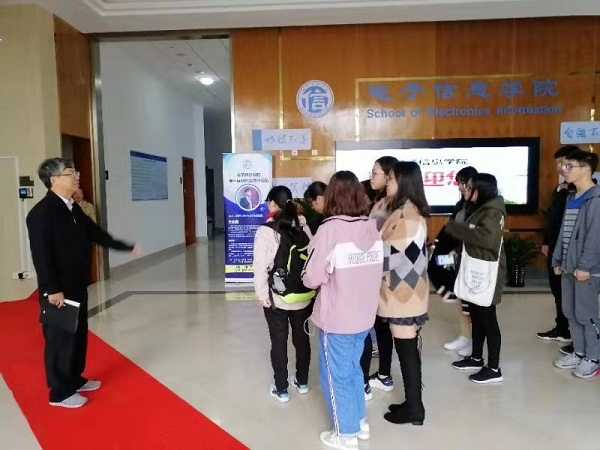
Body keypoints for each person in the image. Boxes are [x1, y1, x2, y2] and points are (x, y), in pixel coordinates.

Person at [26, 158, 140, 408]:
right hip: (58, 289)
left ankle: (74, 378)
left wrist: (124, 246)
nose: (77, 177)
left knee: (77, 334)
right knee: (60, 339)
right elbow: (41, 256)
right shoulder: (42, 214)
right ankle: (60, 393)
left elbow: (94, 233)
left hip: (77, 284)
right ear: (54, 180)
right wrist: (51, 289)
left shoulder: (71, 207)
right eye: (71, 173)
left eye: (76, 172)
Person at [302, 171, 383, 450]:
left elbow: (311, 278)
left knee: (336, 376)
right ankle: (360, 422)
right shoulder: (373, 227)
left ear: (332, 196)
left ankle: (345, 434)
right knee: (353, 369)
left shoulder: (330, 230)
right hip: (364, 315)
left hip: (337, 318)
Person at [378, 161, 430, 425]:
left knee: (407, 351)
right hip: (404, 290)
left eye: (390, 179)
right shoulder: (405, 211)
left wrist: (362, 258)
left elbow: (391, 257)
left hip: (403, 293)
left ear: (404, 182)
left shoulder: (408, 216)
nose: (387, 183)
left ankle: (415, 409)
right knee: (407, 349)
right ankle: (412, 404)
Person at [253, 186, 315, 402]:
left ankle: (281, 389)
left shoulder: (266, 231)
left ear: (272, 203)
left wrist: (263, 295)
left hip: (277, 298)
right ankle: (303, 382)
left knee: (278, 341)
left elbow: (260, 267)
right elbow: (312, 258)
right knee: (302, 339)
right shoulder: (304, 226)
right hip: (304, 295)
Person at [446, 173, 506, 384]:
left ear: (482, 190)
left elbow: (487, 239)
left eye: (470, 187)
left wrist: (456, 228)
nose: (466, 190)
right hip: (474, 270)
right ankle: (476, 358)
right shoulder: (479, 208)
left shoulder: (493, 211)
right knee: (476, 316)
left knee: (488, 320)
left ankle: (494, 368)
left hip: (486, 273)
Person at [552, 150, 600, 379]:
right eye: (564, 166)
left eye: (569, 166)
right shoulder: (572, 197)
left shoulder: (596, 198)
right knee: (570, 312)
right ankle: (579, 352)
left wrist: (585, 266)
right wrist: (558, 260)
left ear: (586, 169)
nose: (564, 170)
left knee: (586, 314)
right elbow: (564, 232)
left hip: (585, 269)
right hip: (568, 266)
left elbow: (594, 237)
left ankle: (593, 357)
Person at [537, 146, 580, 347]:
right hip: (555, 245)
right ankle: (562, 328)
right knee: (558, 290)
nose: (560, 168)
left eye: (564, 163)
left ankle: (575, 335)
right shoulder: (561, 188)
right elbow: (553, 219)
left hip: (570, 249)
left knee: (571, 293)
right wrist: (547, 241)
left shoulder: (582, 191)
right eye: (558, 163)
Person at [363, 156, 398, 399]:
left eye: (375, 173)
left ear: (388, 177)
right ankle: (384, 373)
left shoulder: (393, 207)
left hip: (383, 274)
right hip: (376, 272)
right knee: (380, 325)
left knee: (381, 325)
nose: (371, 177)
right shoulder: (382, 202)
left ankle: (382, 374)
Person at [438, 166, 478, 357]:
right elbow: (450, 228)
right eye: (459, 183)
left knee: (472, 305)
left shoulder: (478, 206)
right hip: (457, 257)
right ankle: (465, 336)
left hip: (471, 260)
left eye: (465, 183)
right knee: (461, 300)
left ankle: (475, 341)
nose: (461, 187)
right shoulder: (460, 204)